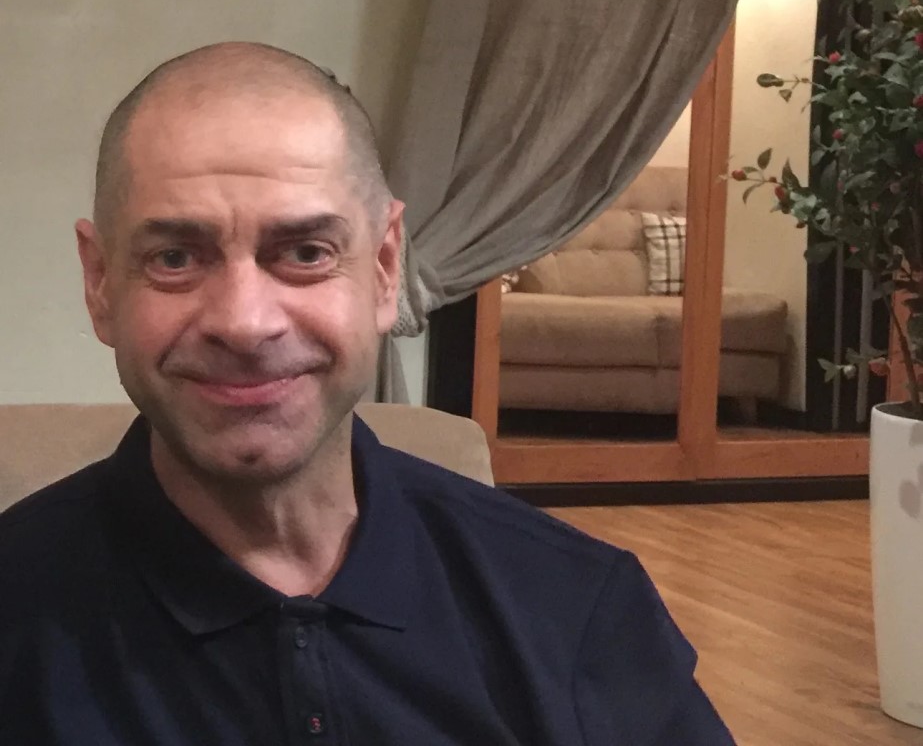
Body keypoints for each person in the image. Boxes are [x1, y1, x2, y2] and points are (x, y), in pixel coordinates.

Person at [0, 42, 735, 745]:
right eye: (174, 258)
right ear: (100, 283)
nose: (245, 323)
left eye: (305, 252)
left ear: (384, 270)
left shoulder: (572, 605)